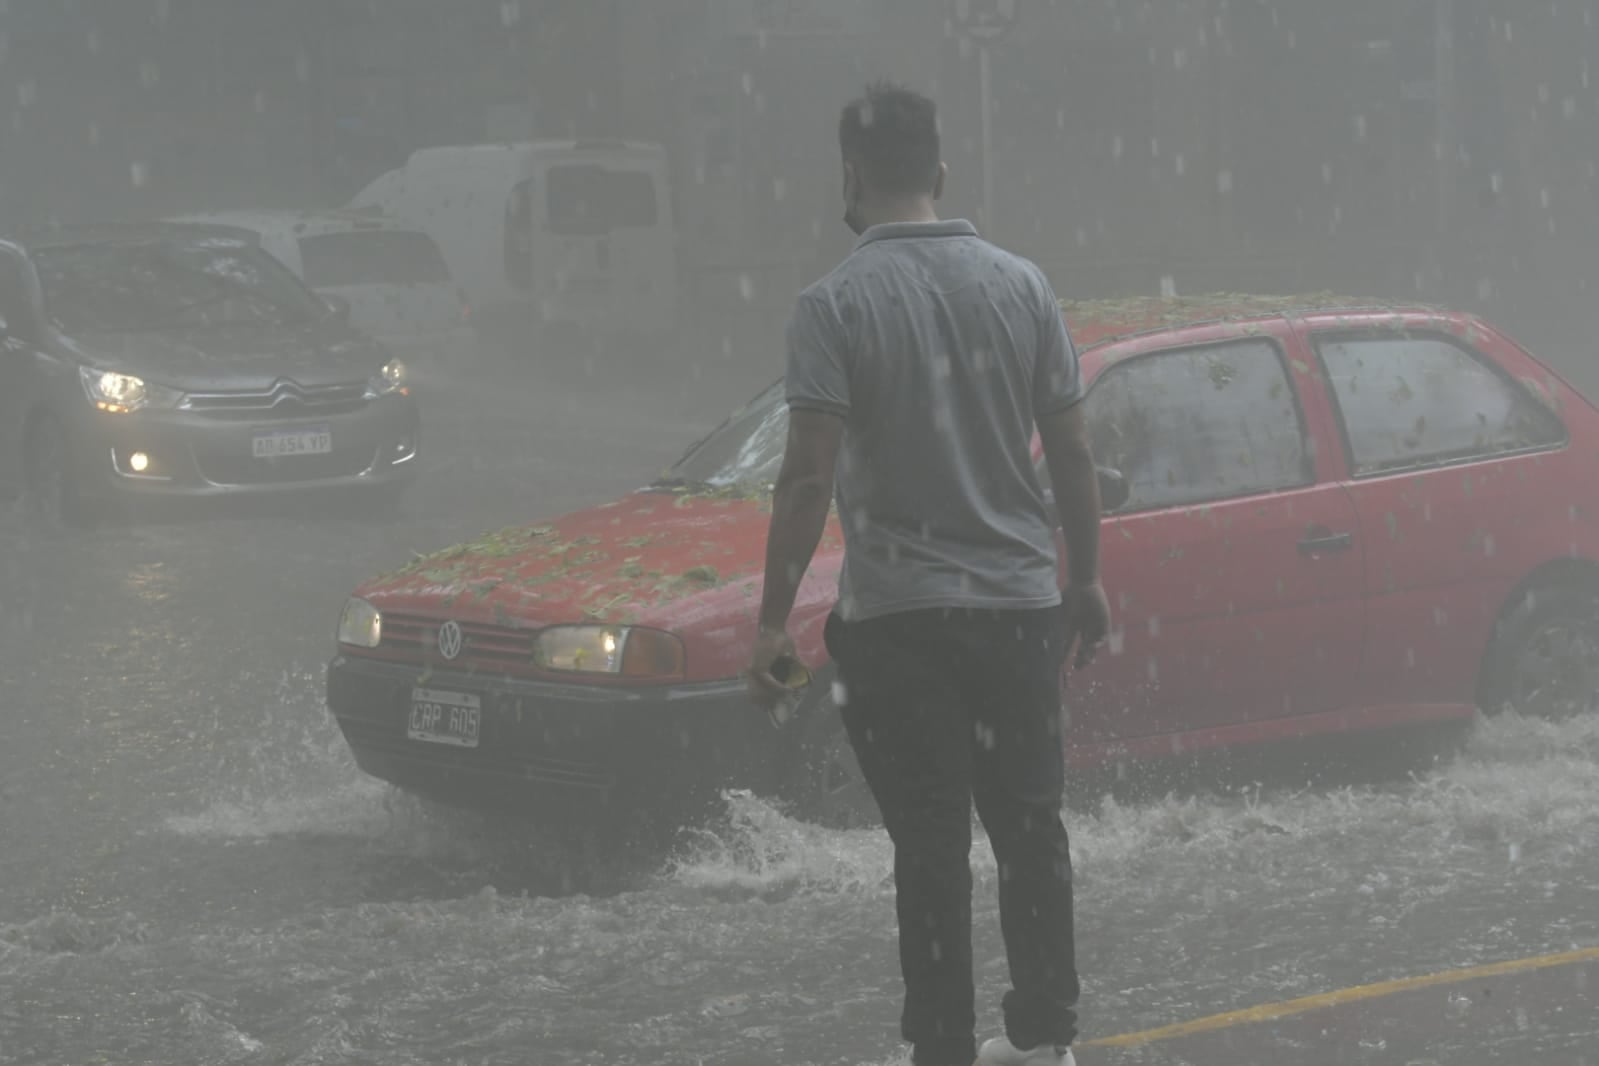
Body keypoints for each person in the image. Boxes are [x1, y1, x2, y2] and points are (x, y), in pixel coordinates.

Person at [746, 82, 1111, 1066]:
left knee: (931, 844)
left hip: (898, 625)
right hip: (1022, 612)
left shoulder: (832, 307)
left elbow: (807, 474)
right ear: (942, 175)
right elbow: (1072, 454)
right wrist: (1086, 580)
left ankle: (942, 1047)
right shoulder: (1021, 286)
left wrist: (775, 621)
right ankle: (1044, 1042)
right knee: (1032, 827)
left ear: (852, 177)